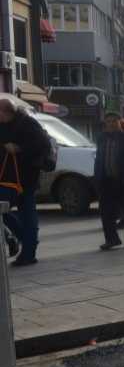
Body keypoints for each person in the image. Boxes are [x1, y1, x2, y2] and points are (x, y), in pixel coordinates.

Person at [0, 98, 49, 266]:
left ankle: (28, 252)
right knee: (3, 211)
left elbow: (41, 145)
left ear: (7, 112)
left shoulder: (28, 123)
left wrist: (19, 148)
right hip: (6, 178)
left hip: (26, 178)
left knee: (28, 214)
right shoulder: (3, 125)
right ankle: (25, 239)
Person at [96, 112, 124, 250]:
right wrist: (98, 177)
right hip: (106, 181)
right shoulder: (101, 138)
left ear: (120, 122)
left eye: (113, 121)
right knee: (106, 212)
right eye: (108, 122)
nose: (110, 124)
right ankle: (111, 239)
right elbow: (99, 158)